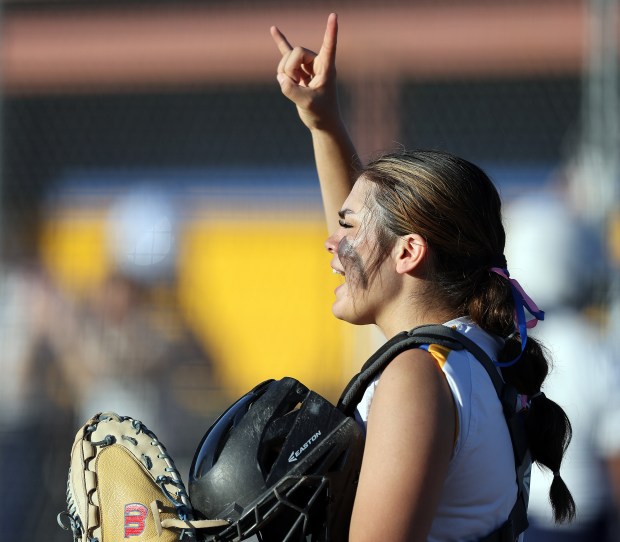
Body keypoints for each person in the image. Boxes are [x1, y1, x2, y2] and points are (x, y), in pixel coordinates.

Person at [270, 13, 576, 542]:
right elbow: (372, 250)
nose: (332, 241)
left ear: (410, 253)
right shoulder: (472, 349)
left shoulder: (418, 377)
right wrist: (323, 123)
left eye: (347, 227)